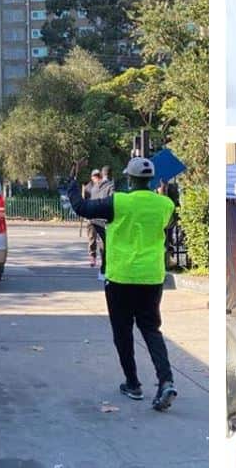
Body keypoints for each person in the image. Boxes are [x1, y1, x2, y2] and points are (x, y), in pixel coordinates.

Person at [67, 157, 179, 411]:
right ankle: (166, 380)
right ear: (149, 180)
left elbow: (81, 207)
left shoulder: (118, 202)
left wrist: (72, 182)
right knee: (151, 329)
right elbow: (168, 224)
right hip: (151, 277)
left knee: (122, 331)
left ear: (129, 178)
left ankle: (133, 383)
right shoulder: (165, 204)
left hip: (120, 277)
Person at [84, 169, 105, 267]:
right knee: (92, 238)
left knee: (102, 240)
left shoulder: (104, 186)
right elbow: (85, 201)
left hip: (101, 218)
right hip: (91, 217)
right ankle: (92, 257)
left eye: (98, 176)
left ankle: (103, 258)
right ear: (92, 177)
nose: (97, 178)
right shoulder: (88, 188)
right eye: (95, 176)